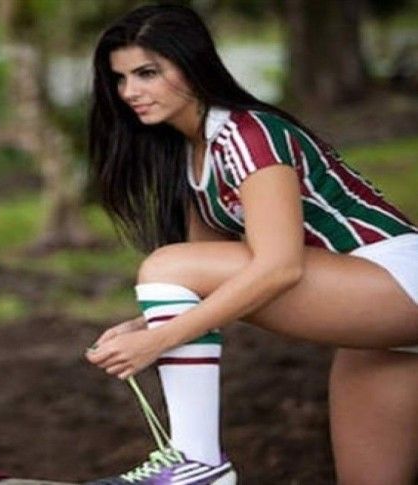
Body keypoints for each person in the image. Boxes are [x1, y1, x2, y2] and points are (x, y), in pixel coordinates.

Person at [82, 4, 418, 485]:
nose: (129, 91)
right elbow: (202, 281)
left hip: (395, 280)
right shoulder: (191, 156)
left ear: (193, 65)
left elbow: (280, 268)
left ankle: (198, 462)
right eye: (120, 78)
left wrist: (158, 341)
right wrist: (143, 324)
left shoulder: (249, 134)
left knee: (166, 263)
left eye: (147, 73)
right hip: (377, 319)